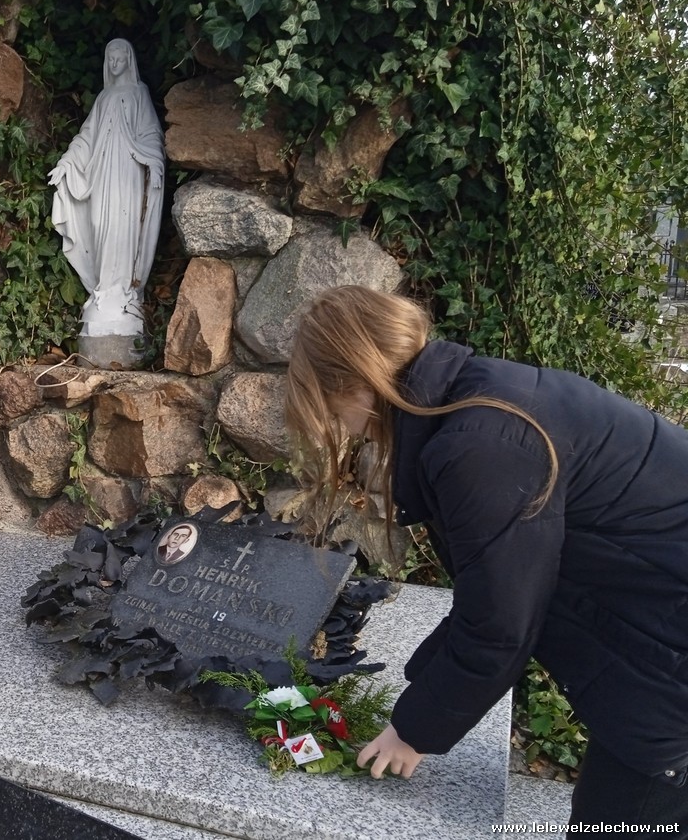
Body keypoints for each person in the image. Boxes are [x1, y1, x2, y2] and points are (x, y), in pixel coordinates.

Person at [283, 284, 688, 829]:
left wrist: (413, 733)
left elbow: (502, 623)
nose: (336, 423)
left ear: (354, 384)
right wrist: (419, 697)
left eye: (328, 406)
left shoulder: (477, 444)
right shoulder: (478, 399)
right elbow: (499, 586)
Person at [48, 38, 164, 339]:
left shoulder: (139, 93)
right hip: (100, 173)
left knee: (123, 229)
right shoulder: (103, 98)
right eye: (109, 59)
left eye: (118, 59)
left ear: (128, 60)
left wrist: (154, 162)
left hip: (128, 172)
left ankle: (122, 293)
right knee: (100, 225)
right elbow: (86, 137)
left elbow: (151, 133)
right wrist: (66, 163)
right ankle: (102, 290)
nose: (113, 64)